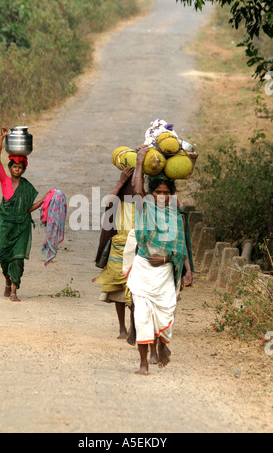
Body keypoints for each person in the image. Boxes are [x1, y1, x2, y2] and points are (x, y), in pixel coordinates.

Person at [127, 144, 192, 375]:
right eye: (158, 192)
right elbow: (136, 188)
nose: (162, 197)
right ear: (151, 194)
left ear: (171, 194)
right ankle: (144, 363)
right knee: (142, 315)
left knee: (166, 313)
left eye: (166, 193)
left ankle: (162, 346)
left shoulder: (177, 217)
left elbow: (181, 246)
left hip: (165, 272)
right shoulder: (145, 207)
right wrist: (140, 160)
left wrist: (186, 269)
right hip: (144, 269)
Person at [0, 127, 46, 302]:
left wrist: (42, 202)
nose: (17, 169)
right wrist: (1, 139)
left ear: (23, 169)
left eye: (20, 167)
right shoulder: (5, 181)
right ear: (10, 168)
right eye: (14, 166)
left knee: (17, 260)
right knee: (3, 258)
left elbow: (26, 209)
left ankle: (14, 290)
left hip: (21, 227)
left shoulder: (26, 187)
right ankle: (8, 281)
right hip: (5, 227)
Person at [94, 167, 136, 339]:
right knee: (116, 289)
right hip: (117, 249)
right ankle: (122, 327)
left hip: (136, 249)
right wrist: (120, 183)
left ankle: (134, 326)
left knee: (135, 290)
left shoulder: (144, 199)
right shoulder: (117, 200)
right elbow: (108, 203)